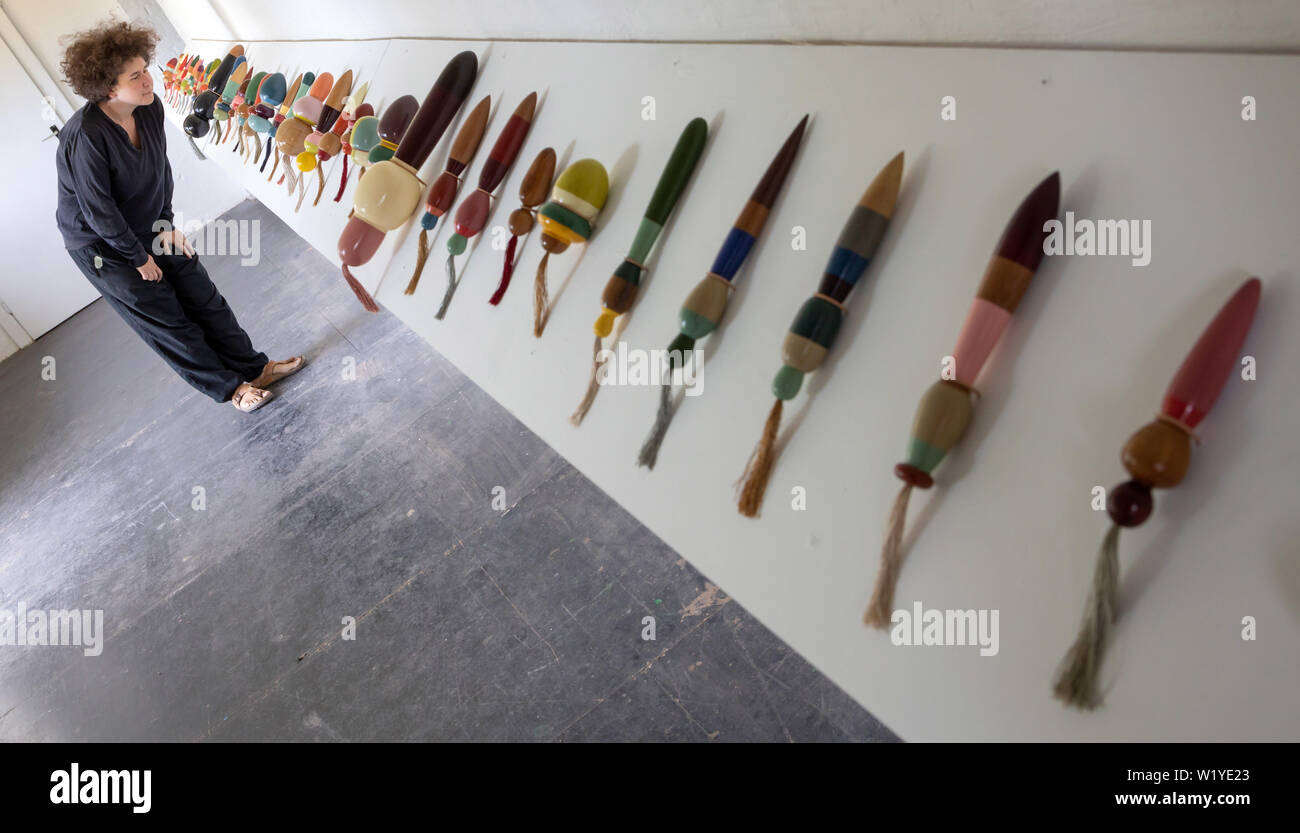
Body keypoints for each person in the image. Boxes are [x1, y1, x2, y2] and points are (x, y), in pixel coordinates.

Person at [55, 20, 301, 412]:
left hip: (145, 222)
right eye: (134, 76)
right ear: (108, 87)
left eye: (145, 69)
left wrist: (166, 225)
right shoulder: (86, 136)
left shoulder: (148, 108)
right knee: (168, 318)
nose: (147, 80)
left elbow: (159, 170)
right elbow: (98, 209)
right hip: (100, 243)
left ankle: (255, 369)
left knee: (201, 294)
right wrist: (137, 258)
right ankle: (230, 389)